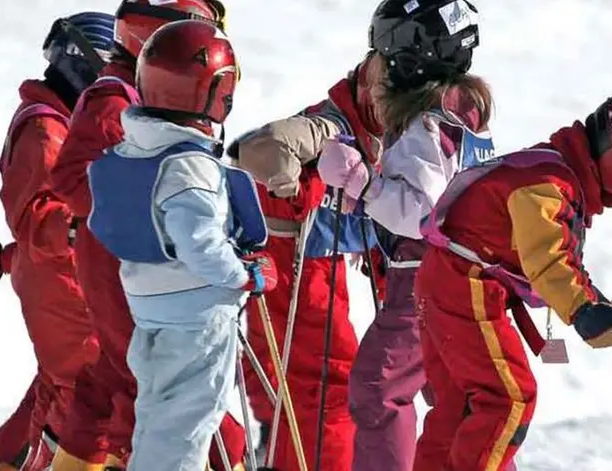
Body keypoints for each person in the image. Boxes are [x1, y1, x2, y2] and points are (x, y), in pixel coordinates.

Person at [413, 92, 612, 469]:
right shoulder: (546, 185)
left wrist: (605, 308)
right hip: (464, 286)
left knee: (462, 404)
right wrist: (583, 311)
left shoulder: (557, 176)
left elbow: (560, 261)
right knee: (508, 398)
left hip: (453, 281)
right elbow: (548, 259)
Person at [47, 2, 247, 470]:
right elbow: (74, 179)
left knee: (114, 383)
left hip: (130, 260)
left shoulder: (135, 96)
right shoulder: (115, 99)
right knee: (172, 390)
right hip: (129, 264)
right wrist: (151, 212)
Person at [85, 19, 276, 471]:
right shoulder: (191, 165)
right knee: (189, 421)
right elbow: (199, 243)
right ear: (211, 93)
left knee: (156, 414)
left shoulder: (139, 149)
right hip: (197, 313)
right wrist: (243, 275)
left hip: (148, 304)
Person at [316, 1, 494, 470]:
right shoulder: (463, 113)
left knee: (380, 388)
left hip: (424, 278)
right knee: (454, 392)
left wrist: (362, 183)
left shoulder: (427, 123)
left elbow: (421, 211)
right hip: (461, 274)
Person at [0, 11, 115, 470]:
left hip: (62, 284)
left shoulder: (62, 122)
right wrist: (103, 224)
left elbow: (35, 231)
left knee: (58, 388)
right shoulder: (46, 130)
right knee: (85, 398)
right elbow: (40, 219)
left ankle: (11, 458)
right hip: (65, 293)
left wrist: (1, 261)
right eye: (108, 72)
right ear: (82, 65)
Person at [230, 52, 383, 470]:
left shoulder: (396, 129)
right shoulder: (330, 127)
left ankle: (275, 441)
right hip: (294, 251)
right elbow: (259, 148)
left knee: (292, 371)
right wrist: (289, 183)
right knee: (328, 381)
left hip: (303, 252)